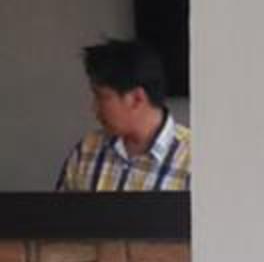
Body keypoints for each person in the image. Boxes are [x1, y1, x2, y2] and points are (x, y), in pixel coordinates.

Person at [56, 37, 192, 191]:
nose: (94, 108)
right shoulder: (87, 150)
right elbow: (59, 206)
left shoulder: (195, 159)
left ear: (136, 99)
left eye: (101, 97)